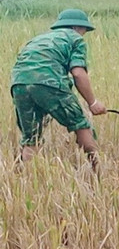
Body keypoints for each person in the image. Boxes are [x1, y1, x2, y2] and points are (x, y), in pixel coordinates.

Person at [10, 9, 107, 168]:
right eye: (84, 30)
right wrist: (93, 102)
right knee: (80, 123)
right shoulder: (75, 39)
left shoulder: (37, 39)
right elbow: (77, 73)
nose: (84, 34)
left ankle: (24, 177)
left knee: (31, 137)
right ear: (77, 28)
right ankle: (99, 167)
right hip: (49, 83)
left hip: (19, 84)